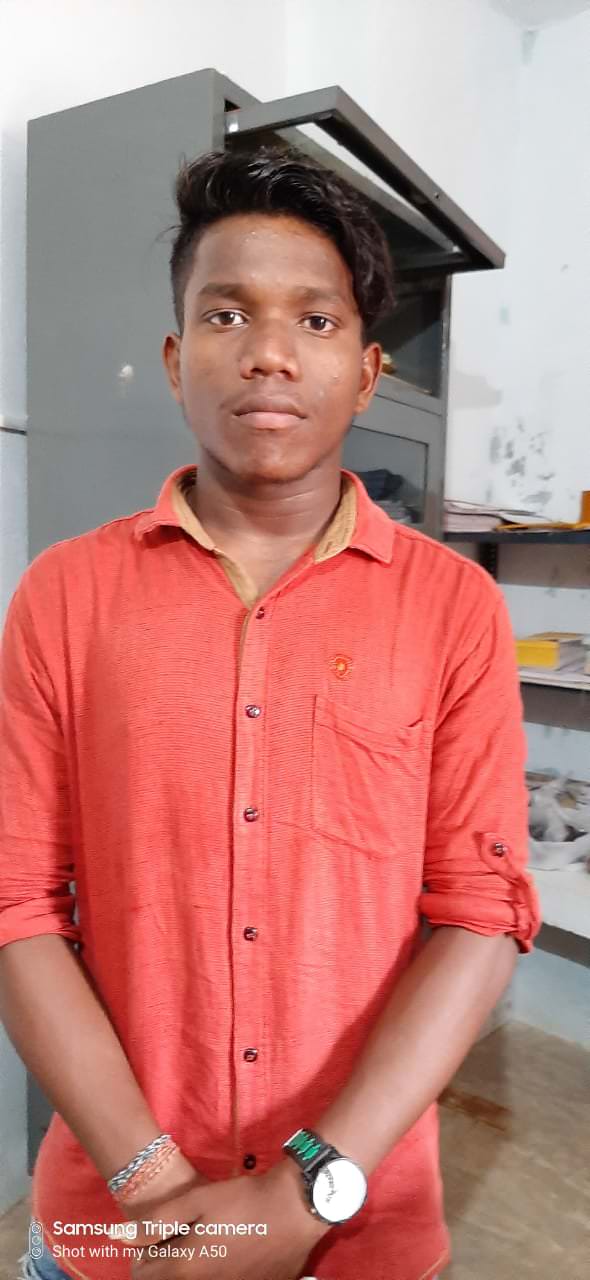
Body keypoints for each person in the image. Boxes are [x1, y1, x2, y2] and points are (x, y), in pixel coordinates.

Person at [0, 144, 541, 1280]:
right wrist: (157, 1189)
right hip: (114, 1228)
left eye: (316, 320)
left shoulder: (454, 609)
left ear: (368, 370)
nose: (269, 354)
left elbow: (480, 914)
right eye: (227, 313)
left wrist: (304, 1191)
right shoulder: (64, 595)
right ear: (174, 357)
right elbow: (17, 904)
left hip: (362, 1230)